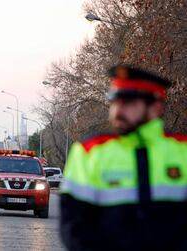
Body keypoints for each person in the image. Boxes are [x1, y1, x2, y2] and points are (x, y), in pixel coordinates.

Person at [60, 65, 187, 251]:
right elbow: (74, 227)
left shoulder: (181, 151)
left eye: (128, 103)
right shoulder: (89, 152)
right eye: (115, 102)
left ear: (156, 107)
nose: (118, 111)